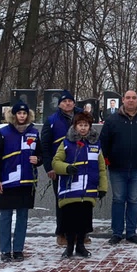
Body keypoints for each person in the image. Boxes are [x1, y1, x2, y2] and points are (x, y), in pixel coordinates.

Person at [100, 89, 137, 244]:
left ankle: (131, 232)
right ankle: (117, 233)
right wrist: (102, 162)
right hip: (117, 167)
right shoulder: (112, 120)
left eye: (134, 98)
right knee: (118, 199)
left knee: (133, 199)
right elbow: (104, 143)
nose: (131, 100)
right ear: (123, 100)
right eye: (128, 98)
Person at [0, 101, 42, 262]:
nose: (22, 116)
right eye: (19, 113)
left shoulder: (33, 133)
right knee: (6, 217)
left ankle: (18, 248)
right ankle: (5, 250)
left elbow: (40, 155)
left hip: (26, 181)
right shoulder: (3, 133)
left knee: (22, 216)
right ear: (13, 115)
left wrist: (38, 159)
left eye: (24, 113)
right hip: (7, 181)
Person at [52, 111, 108, 258]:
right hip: (71, 189)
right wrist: (66, 168)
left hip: (88, 189)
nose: (83, 128)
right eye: (80, 125)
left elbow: (101, 167)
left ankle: (81, 246)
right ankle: (69, 247)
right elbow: (56, 162)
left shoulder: (95, 145)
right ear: (75, 126)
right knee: (70, 220)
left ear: (90, 127)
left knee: (84, 221)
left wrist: (102, 187)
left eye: (86, 125)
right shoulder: (66, 143)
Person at [40, 90, 80, 247]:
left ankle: (79, 232)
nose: (68, 103)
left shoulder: (81, 117)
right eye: (64, 101)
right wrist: (49, 167)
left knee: (79, 200)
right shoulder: (51, 120)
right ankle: (62, 233)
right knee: (62, 201)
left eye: (70, 101)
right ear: (59, 104)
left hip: (79, 165)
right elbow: (45, 145)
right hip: (60, 166)